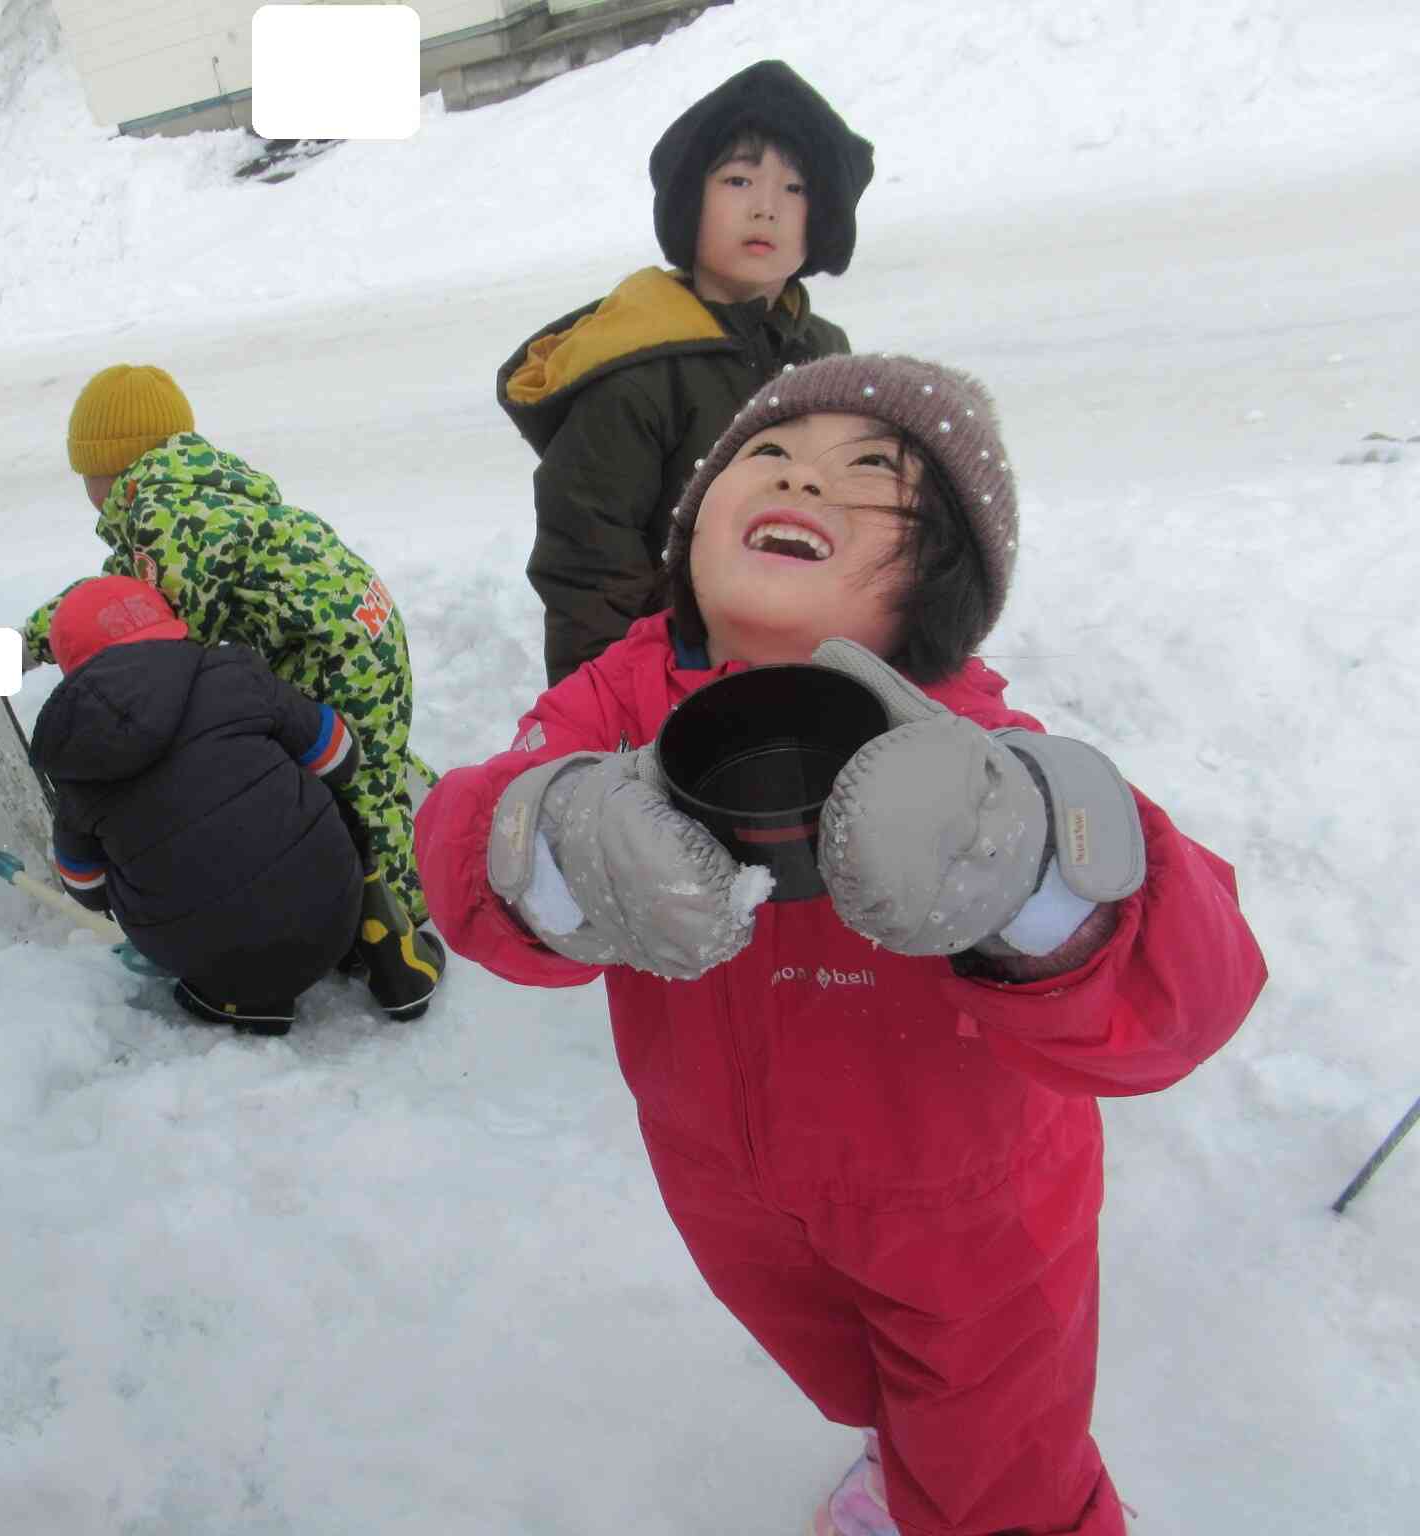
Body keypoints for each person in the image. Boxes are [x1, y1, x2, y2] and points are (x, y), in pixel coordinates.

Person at [416, 355, 1268, 1536]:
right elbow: (469, 839)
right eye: (765, 457)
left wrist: (1029, 875)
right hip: (727, 1186)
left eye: (870, 476)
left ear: (935, 580)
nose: (804, 479)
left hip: (971, 1216)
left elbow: (1186, 1000)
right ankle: (899, 1456)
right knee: (851, 1378)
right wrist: (555, 837)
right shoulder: (613, 708)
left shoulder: (976, 751)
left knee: (995, 1468)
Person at [22, 364, 444, 1019]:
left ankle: (398, 932)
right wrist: (30, 640)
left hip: (336, 651)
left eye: (85, 472)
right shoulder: (186, 492)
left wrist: (30, 651)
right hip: (356, 626)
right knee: (365, 757)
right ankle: (436, 818)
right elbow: (117, 596)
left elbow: (155, 625)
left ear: (108, 467)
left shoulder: (170, 516)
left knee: (355, 787)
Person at [497, 59, 872, 686]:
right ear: (688, 205)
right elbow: (589, 566)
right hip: (674, 676)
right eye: (737, 181)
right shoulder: (637, 370)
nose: (765, 209)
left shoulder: (824, 355)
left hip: (805, 659)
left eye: (795, 189)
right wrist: (607, 714)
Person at [28, 576, 366, 1034]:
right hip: (335, 916)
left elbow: (86, 888)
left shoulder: (76, 756)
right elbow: (339, 756)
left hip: (208, 960)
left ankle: (237, 1001)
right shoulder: (232, 674)